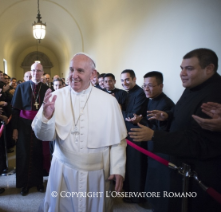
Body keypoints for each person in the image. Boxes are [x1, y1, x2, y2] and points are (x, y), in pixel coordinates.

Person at [32, 53, 127, 211]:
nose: (74, 75)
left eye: (80, 71)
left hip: (97, 174)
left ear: (93, 74)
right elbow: (41, 135)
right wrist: (46, 117)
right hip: (63, 169)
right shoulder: (55, 97)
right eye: (71, 70)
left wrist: (118, 168)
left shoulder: (109, 101)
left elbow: (118, 140)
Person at [129, 48, 221, 212]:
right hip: (180, 164)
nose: (182, 73)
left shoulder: (214, 93)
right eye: (181, 68)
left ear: (209, 69)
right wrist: (167, 115)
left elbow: (198, 140)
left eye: (189, 68)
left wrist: (154, 136)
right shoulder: (193, 85)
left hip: (200, 173)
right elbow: (183, 113)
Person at [127, 71, 175, 211]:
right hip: (149, 149)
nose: (146, 89)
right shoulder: (149, 100)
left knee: (159, 184)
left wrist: (143, 122)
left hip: (160, 152)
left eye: (150, 85)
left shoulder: (166, 104)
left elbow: (163, 129)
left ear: (161, 86)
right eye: (144, 85)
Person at [11, 62, 49, 196]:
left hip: (40, 124)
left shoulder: (46, 88)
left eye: (39, 71)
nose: (36, 73)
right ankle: (25, 183)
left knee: (39, 153)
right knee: (24, 153)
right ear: (30, 71)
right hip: (23, 125)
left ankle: (38, 182)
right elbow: (15, 109)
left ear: (42, 72)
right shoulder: (21, 87)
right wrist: (15, 128)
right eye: (34, 70)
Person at [120, 69, 148, 203]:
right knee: (129, 166)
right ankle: (129, 193)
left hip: (136, 135)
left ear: (134, 79)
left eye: (127, 79)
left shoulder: (140, 93)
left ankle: (136, 197)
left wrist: (120, 111)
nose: (124, 82)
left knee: (136, 166)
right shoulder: (128, 93)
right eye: (122, 80)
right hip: (128, 135)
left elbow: (132, 116)